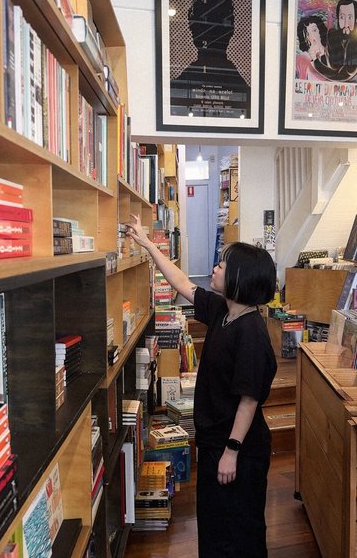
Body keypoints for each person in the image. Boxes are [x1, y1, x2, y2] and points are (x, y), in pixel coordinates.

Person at [126, 214, 277, 558]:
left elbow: (249, 401)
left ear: (240, 276)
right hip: (215, 443)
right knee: (214, 525)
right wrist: (149, 245)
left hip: (237, 449)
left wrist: (231, 452)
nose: (215, 268)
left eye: (222, 264)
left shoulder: (252, 332)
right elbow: (181, 283)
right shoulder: (225, 311)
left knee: (240, 531)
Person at [170, 0, 251, 119]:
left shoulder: (178, 87)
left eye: (196, 21)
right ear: (231, 29)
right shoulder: (243, 91)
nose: (190, 27)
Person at [296, 15, 331, 81]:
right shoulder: (302, 60)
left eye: (314, 30)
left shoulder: (332, 57)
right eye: (307, 34)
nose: (312, 37)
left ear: (321, 31)